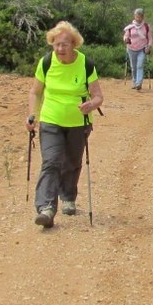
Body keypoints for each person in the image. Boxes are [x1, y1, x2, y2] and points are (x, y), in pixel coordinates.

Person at [25, 21, 104, 228]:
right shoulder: (46, 63)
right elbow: (35, 91)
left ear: (74, 44)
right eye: (56, 44)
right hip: (51, 119)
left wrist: (91, 105)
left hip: (79, 123)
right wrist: (32, 115)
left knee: (72, 161)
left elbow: (98, 97)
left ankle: (68, 197)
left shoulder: (86, 64)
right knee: (51, 161)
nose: (60, 49)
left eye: (65, 44)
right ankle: (46, 208)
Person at [122, 8, 153, 90]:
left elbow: (150, 38)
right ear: (135, 16)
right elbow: (126, 36)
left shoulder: (146, 26)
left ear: (143, 17)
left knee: (140, 65)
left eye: (140, 17)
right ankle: (134, 81)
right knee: (133, 66)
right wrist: (126, 39)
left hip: (142, 49)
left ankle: (139, 83)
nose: (139, 19)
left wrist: (148, 46)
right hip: (131, 48)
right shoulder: (130, 27)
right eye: (137, 17)